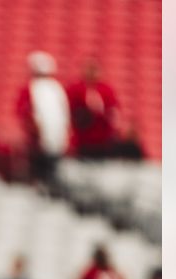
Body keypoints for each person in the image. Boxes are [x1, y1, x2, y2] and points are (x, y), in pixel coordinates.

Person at [15, 51, 69, 190]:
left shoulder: (54, 88)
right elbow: (24, 113)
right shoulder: (34, 88)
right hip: (37, 142)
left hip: (54, 141)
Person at [67, 60, 121, 160]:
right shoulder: (75, 89)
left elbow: (113, 112)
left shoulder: (106, 90)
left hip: (103, 141)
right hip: (82, 140)